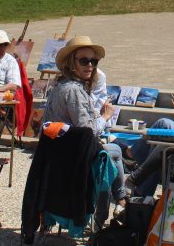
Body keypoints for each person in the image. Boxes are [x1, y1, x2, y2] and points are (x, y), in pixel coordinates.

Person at [44, 36, 126, 222]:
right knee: (111, 157)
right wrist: (105, 116)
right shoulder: (74, 90)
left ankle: (119, 202)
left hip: (58, 151)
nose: (90, 65)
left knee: (110, 155)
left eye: (93, 61)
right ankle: (111, 210)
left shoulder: (63, 85)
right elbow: (87, 133)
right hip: (71, 156)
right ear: (71, 63)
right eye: (84, 60)